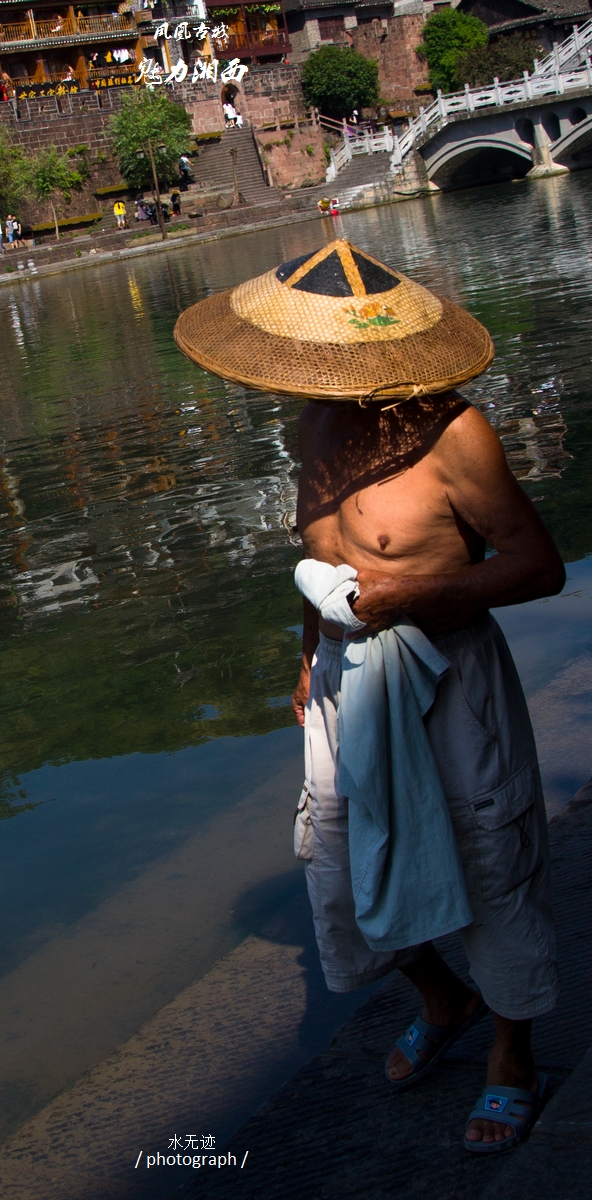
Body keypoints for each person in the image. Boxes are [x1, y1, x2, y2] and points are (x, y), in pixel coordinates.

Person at [173, 238, 564, 1154]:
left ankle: (513, 1053)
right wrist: (310, 650)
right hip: (349, 675)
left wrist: (412, 597)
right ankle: (443, 996)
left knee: (490, 863)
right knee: (339, 868)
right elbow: (321, 561)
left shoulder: (456, 434)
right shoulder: (311, 425)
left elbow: (538, 566)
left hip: (448, 676)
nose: (311, 372)